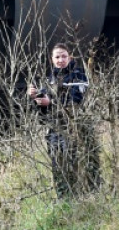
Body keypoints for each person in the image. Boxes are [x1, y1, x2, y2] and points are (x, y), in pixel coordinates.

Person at [27, 43, 99, 197]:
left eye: (64, 56)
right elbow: (42, 111)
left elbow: (76, 103)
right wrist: (35, 98)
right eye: (57, 57)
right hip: (54, 129)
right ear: (52, 59)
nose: (60, 60)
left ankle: (84, 198)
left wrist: (50, 103)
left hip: (75, 128)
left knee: (76, 164)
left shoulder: (78, 75)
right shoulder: (50, 78)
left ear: (70, 57)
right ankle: (64, 199)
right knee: (57, 166)